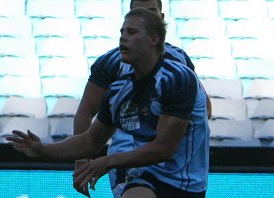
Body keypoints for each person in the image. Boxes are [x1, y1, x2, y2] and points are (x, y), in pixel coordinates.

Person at [7, 8, 210, 198]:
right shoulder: (118, 91)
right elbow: (90, 141)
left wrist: (107, 161)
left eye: (131, 32)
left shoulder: (177, 78)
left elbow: (164, 148)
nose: (123, 37)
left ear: (154, 39)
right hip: (143, 172)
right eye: (122, 32)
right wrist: (43, 150)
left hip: (186, 178)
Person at [73, 0, 212, 197]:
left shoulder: (179, 65)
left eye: (151, 12)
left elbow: (206, 109)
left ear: (161, 20)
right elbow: (86, 112)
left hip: (176, 167)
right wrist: (81, 162)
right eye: (137, 12)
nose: (145, 17)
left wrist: (168, 123)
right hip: (126, 162)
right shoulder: (112, 62)